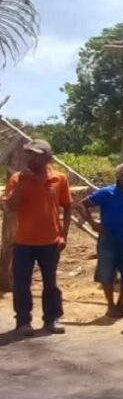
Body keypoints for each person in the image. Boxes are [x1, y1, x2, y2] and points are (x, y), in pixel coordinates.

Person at [3, 139, 72, 336]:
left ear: (46, 157)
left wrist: (63, 235)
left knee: (51, 283)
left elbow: (67, 206)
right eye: (29, 153)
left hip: (50, 242)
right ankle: (23, 321)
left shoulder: (59, 179)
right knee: (22, 283)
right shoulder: (18, 178)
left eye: (35, 154)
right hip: (23, 242)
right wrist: (22, 184)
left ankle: (52, 318)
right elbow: (10, 207)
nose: (30, 157)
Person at [78, 162, 123, 318]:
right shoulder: (106, 193)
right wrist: (93, 224)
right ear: (117, 176)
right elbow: (81, 205)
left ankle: (121, 304)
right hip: (108, 239)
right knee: (107, 274)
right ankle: (111, 305)